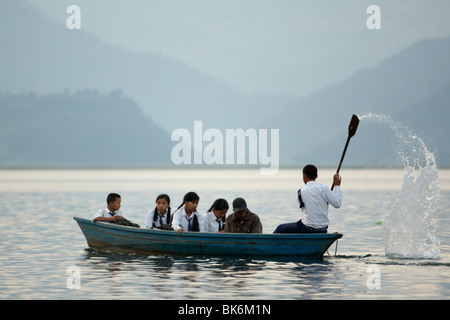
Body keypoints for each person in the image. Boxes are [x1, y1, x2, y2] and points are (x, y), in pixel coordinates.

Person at [273, 164, 342, 234]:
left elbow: (305, 209)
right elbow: (337, 204)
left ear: (304, 176)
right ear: (317, 176)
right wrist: (337, 186)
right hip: (323, 229)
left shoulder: (301, 192)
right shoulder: (324, 188)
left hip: (307, 228)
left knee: (280, 228)